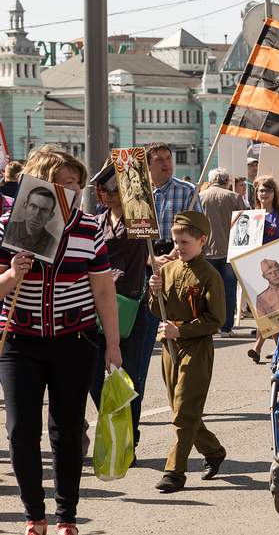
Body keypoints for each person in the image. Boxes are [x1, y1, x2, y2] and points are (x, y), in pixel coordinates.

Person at [0, 146, 121, 535]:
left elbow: (103, 292)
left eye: (76, 183)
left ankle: (67, 517)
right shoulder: (8, 225)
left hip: (75, 339)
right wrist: (12, 274)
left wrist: (113, 346)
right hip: (19, 340)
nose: (72, 190)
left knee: (67, 430)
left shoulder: (88, 228)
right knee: (20, 429)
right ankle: (34, 515)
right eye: (63, 183)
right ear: (38, 184)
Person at [148, 211, 227, 493]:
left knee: (184, 412)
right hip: (170, 347)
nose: (178, 247)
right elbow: (159, 310)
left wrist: (181, 331)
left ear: (202, 241)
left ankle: (175, 472)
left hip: (196, 346)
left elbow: (216, 319)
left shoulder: (210, 275)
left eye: (184, 242)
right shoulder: (167, 270)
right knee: (182, 409)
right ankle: (214, 451)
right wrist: (153, 291)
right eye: (175, 241)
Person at [139, 142, 203, 447]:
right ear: (148, 167)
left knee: (181, 356)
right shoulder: (138, 196)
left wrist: (176, 257)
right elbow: (129, 238)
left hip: (179, 279)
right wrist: (151, 259)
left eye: (169, 159)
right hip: (147, 278)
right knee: (141, 354)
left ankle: (187, 418)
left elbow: (201, 235)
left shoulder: (187, 192)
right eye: (160, 160)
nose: (167, 164)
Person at [88, 160, 149, 461]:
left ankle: (128, 441)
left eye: (112, 188)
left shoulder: (138, 218)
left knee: (128, 377)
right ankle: (116, 426)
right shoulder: (97, 221)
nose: (105, 194)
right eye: (100, 188)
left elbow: (148, 251)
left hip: (131, 305)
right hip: (98, 305)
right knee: (94, 377)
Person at [247, 175, 279, 363]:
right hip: (256, 269)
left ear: (275, 193)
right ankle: (278, 351)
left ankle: (259, 347)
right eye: (261, 190)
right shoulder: (251, 215)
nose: (265, 193)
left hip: (277, 270)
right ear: (256, 193)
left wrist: (275, 251)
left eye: (269, 190)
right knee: (266, 308)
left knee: (271, 308)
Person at [200, 168, 246, 338]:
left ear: (210, 180)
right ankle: (226, 328)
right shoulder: (234, 198)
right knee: (229, 290)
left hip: (206, 251)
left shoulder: (201, 197)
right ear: (227, 182)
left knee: (208, 292)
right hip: (230, 251)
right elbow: (245, 223)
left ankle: (209, 325)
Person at [4, 187, 60, 256]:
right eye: (33, 207)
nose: (37, 215)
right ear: (25, 206)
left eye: (44, 210)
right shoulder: (6, 228)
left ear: (51, 215)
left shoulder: (54, 245)